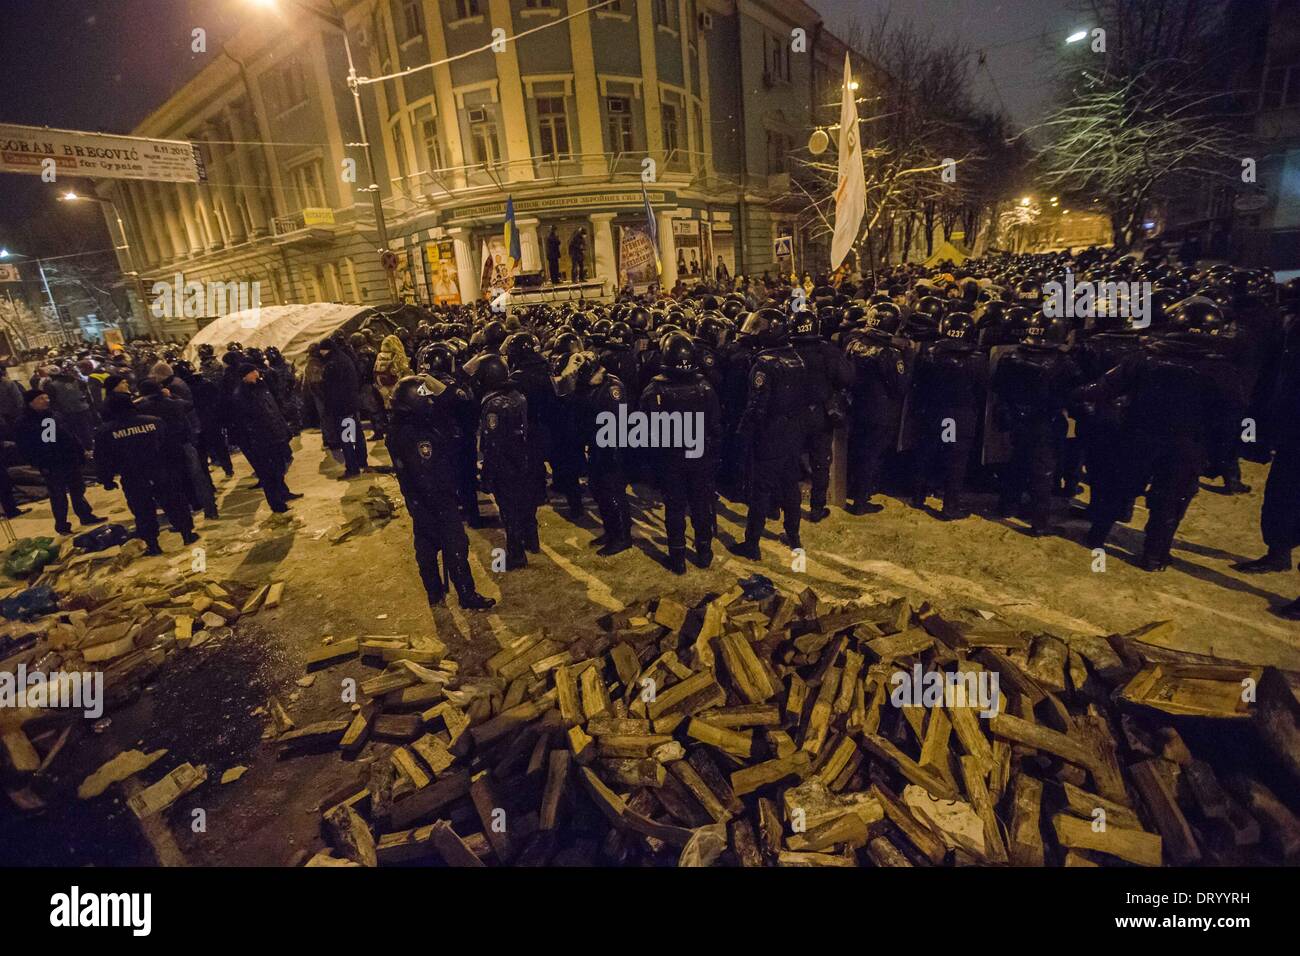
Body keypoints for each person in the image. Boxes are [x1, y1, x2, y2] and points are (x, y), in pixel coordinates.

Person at [386, 375, 495, 610]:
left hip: (417, 501)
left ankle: (434, 593)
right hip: (437, 500)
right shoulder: (418, 436)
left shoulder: (398, 429)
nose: (431, 403)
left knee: (425, 547)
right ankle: (466, 595)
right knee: (455, 546)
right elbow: (430, 472)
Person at [639, 332, 721, 573]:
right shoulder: (705, 388)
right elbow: (716, 427)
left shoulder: (654, 391)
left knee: (674, 508)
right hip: (699, 456)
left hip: (670, 459)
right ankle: (704, 552)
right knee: (700, 505)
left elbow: (645, 432)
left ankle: (677, 558)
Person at [730, 308, 808, 558]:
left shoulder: (764, 364)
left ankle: (752, 544)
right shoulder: (797, 357)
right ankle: (794, 536)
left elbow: (756, 405)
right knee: (790, 486)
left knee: (760, 491)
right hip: (793, 433)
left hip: (769, 435)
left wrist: (744, 434)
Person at [94, 385, 195, 554]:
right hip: (160, 471)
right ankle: (187, 534)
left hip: (133, 476)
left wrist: (107, 479)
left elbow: (103, 458)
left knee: (143, 511)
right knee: (174, 503)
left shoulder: (105, 432)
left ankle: (153, 545)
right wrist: (176, 467)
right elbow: (169, 446)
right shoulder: (153, 421)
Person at [477, 355, 537, 569]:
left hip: (506, 464)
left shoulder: (495, 405)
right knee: (525, 504)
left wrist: (487, 474)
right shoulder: (516, 394)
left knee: (509, 510)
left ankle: (517, 553)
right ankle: (532, 540)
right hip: (522, 458)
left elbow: (493, 444)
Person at [16, 388, 103, 535]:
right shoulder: (25, 422)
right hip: (51, 463)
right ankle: (62, 525)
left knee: (78, 490)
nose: (46, 400)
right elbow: (26, 445)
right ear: (31, 403)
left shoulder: (55, 415)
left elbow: (69, 435)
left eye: (46, 397)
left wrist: (80, 451)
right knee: (58, 495)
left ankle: (86, 516)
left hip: (68, 459)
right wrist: (39, 461)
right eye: (41, 398)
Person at [232, 364, 298, 513]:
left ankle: (284, 493)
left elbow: (273, 410)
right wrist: (256, 440)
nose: (257, 373)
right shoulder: (241, 395)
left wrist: (284, 429)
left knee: (280, 467)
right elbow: (247, 421)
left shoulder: (261, 387)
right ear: (245, 376)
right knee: (269, 473)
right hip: (262, 439)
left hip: (275, 434)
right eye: (253, 372)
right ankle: (276, 503)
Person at [318, 337, 369, 477]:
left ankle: (352, 468)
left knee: (347, 439)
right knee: (357, 435)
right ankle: (362, 462)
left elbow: (330, 389)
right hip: (351, 404)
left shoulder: (333, 364)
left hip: (342, 407)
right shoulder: (344, 358)